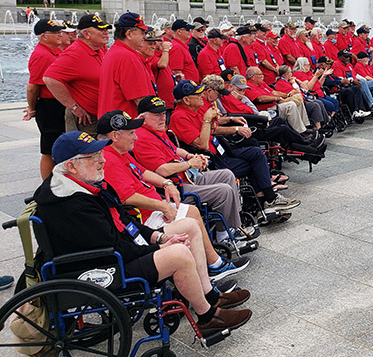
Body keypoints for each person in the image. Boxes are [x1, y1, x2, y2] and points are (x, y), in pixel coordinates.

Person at [34, 131, 252, 333]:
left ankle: (209, 294)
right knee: (179, 254)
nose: (102, 160)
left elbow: (125, 220)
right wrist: (158, 248)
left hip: (118, 249)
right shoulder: (74, 205)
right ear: (71, 166)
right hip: (105, 267)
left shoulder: (87, 184)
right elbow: (114, 246)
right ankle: (207, 317)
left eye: (100, 153)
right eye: (94, 156)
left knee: (190, 227)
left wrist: (159, 236)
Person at [96, 109, 250, 278]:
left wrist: (166, 183)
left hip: (164, 196)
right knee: (193, 218)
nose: (135, 137)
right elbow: (127, 197)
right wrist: (163, 205)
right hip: (145, 217)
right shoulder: (109, 159)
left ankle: (215, 261)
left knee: (207, 198)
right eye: (131, 133)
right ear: (115, 136)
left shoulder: (120, 152)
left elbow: (142, 172)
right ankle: (214, 265)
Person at [134, 96, 252, 246]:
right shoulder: (142, 138)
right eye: (157, 115)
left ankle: (234, 224)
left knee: (227, 174)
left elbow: (174, 149)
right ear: (142, 117)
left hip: (185, 177)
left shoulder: (156, 130)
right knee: (224, 190)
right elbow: (161, 170)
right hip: (174, 187)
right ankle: (224, 235)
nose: (162, 118)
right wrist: (190, 164)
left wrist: (189, 155)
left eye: (163, 114)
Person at [169, 79, 300, 212]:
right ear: (186, 100)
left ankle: (266, 200)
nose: (201, 96)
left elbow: (211, 130)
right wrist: (208, 119)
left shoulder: (194, 111)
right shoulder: (179, 117)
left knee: (255, 152)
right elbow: (202, 145)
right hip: (212, 160)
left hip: (221, 151)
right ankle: (268, 200)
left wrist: (231, 126)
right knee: (254, 161)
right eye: (197, 95)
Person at [44, 14, 109, 135]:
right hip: (86, 120)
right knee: (87, 153)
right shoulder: (75, 53)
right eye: (101, 30)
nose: (106, 32)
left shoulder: (99, 49)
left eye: (106, 29)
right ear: (86, 34)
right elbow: (50, 79)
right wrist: (73, 107)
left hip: (99, 115)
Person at [24, 19, 67, 178]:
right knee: (49, 148)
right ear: (43, 36)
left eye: (59, 32)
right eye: (55, 32)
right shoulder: (42, 55)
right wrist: (32, 108)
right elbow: (33, 87)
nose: (59, 35)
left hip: (58, 104)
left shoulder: (54, 51)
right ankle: (46, 185)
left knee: (58, 144)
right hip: (49, 106)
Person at [98, 12, 155, 118]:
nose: (144, 36)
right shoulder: (128, 58)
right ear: (129, 34)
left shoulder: (114, 51)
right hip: (126, 124)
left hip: (114, 122)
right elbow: (141, 101)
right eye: (142, 32)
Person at [244, 66, 311, 132]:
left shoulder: (261, 83)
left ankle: (304, 126)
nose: (262, 76)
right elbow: (260, 99)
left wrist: (287, 95)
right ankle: (299, 131)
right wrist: (277, 98)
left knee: (298, 100)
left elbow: (274, 92)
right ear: (252, 77)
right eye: (260, 74)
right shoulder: (248, 86)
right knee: (291, 105)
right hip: (266, 109)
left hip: (275, 104)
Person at [274, 65, 330, 129]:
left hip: (303, 98)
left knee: (319, 102)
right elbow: (298, 92)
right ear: (285, 75)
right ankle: (318, 127)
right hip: (297, 102)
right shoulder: (281, 83)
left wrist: (298, 81)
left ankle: (324, 124)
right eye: (290, 72)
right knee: (315, 105)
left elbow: (305, 89)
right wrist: (293, 83)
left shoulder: (290, 80)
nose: (292, 73)